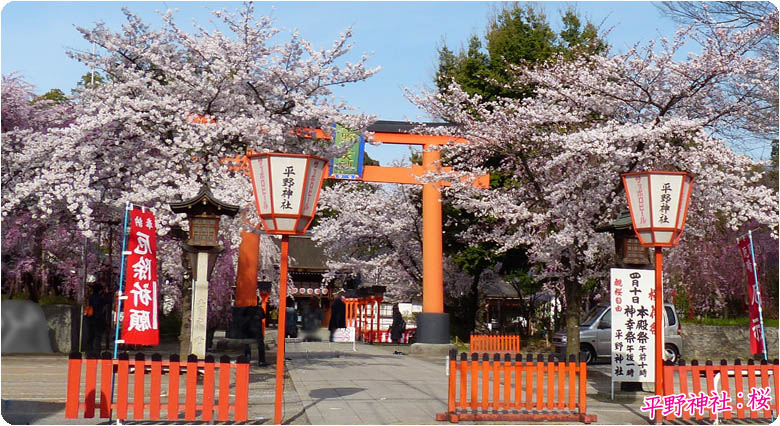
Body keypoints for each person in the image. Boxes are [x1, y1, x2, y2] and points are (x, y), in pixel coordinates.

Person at [85, 283, 108, 353]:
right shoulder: (101, 298)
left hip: (91, 318)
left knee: (90, 335)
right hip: (99, 319)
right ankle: (96, 351)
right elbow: (107, 302)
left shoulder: (90, 297)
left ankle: (89, 351)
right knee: (97, 336)